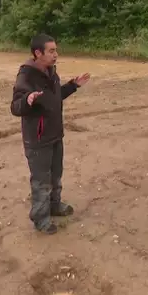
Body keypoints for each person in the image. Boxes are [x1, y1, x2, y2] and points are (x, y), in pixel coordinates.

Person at [10, 33, 91, 235]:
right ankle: (41, 218)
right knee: (40, 181)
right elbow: (15, 107)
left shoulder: (51, 72)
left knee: (56, 176)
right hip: (37, 140)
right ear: (38, 53)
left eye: (56, 50)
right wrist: (27, 100)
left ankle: (55, 206)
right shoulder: (26, 76)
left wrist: (73, 86)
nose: (56, 54)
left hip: (55, 134)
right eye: (51, 51)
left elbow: (54, 98)